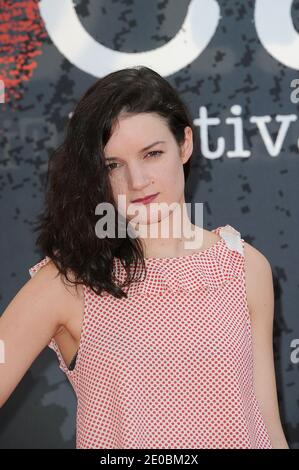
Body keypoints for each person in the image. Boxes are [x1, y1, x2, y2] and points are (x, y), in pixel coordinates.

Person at [0, 66, 289, 449]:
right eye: (112, 164)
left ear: (184, 144)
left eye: (152, 154)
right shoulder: (69, 283)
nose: (137, 181)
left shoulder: (244, 267)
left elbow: (266, 425)